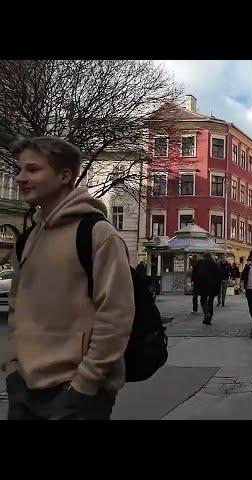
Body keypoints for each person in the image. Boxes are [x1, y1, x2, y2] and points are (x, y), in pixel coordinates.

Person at [2, 136, 135, 420]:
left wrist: (86, 382)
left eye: (33, 170)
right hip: (23, 387)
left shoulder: (97, 234)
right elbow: (16, 307)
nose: (21, 178)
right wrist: (12, 366)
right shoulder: (27, 238)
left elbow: (116, 315)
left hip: (76, 393)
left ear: (64, 176)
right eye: (20, 170)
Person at [192, 252, 221, 325]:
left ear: (204, 257)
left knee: (203, 300)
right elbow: (219, 276)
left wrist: (195, 283)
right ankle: (209, 319)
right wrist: (218, 287)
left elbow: (196, 274)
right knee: (210, 302)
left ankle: (206, 313)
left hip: (203, 285)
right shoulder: (215, 264)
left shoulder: (200, 264)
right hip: (213, 287)